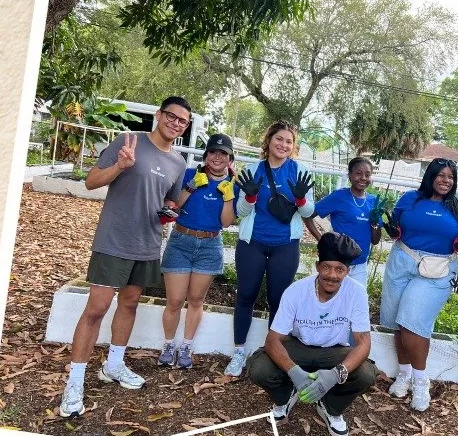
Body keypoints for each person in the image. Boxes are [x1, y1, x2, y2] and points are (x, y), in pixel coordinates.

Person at [59, 97, 191, 418]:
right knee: (97, 309)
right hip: (114, 240)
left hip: (147, 244)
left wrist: (169, 213)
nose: (175, 123)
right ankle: (74, 382)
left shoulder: (178, 163)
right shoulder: (129, 141)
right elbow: (91, 182)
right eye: (171, 116)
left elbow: (170, 204)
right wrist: (120, 166)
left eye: (182, 121)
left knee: (129, 304)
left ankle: (113, 365)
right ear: (159, 115)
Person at [246, 230, 376, 436]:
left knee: (366, 374)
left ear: (347, 271)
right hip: (298, 346)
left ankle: (330, 407)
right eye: (326, 267)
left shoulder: (356, 292)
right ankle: (286, 396)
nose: (332, 275)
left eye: (339, 269)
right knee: (258, 368)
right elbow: (272, 340)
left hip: (334, 350)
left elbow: (363, 342)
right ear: (317, 266)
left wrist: (337, 373)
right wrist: (294, 371)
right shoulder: (296, 291)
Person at [223, 121, 316, 379]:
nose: (283, 145)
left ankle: (273, 353)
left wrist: (300, 198)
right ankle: (239, 352)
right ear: (269, 140)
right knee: (246, 296)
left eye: (289, 141)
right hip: (252, 243)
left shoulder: (300, 172)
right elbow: (240, 213)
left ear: (293, 146)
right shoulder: (253, 170)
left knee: (279, 300)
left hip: (285, 246)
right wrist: (250, 196)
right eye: (279, 139)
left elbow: (309, 212)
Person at [381, 158, 458, 412]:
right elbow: (395, 228)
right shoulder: (410, 199)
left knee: (413, 324)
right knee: (398, 324)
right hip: (402, 262)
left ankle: (421, 382)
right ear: (430, 176)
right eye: (441, 175)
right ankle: (403, 375)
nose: (446, 181)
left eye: (451, 177)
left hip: (437, 270)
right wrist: (389, 227)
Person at [158, 133, 238, 369]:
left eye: (223, 153)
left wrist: (227, 196)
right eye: (213, 152)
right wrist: (191, 187)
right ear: (205, 156)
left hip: (210, 245)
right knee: (174, 300)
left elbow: (225, 222)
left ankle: (186, 346)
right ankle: (168, 344)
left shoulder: (234, 185)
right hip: (181, 240)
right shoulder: (190, 174)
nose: (217, 157)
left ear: (230, 159)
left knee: (196, 299)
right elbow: (175, 205)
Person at [304, 155, 386, 286]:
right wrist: (322, 240)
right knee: (330, 301)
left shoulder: (373, 202)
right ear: (350, 175)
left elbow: (375, 241)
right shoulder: (339, 196)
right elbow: (307, 215)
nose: (363, 178)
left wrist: (375, 223)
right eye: (358, 173)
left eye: (367, 174)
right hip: (336, 262)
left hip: (360, 265)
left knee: (355, 303)